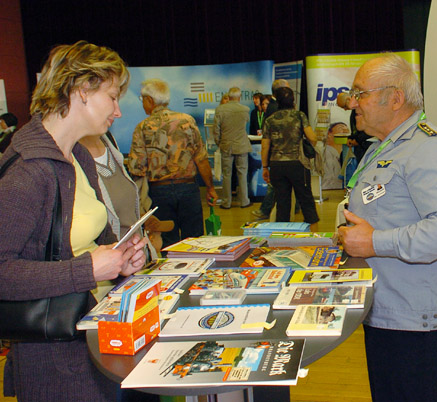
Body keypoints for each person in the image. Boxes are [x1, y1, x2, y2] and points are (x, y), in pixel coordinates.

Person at [0, 40, 148, 402]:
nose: (117, 111)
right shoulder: (27, 170)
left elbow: (96, 237)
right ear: (82, 90)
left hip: (95, 338)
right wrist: (88, 269)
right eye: (112, 97)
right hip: (55, 361)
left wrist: (122, 257)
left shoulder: (77, 154)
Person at [337, 53, 437, 402]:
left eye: (360, 93)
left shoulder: (428, 148)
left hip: (416, 324)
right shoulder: (385, 146)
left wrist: (374, 242)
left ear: (395, 98)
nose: (352, 103)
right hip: (390, 313)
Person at [128, 78, 217, 247]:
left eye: (142, 99)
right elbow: (201, 159)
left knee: (167, 242)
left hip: (159, 192)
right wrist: (210, 188)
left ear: (150, 100)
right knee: (195, 241)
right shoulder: (187, 121)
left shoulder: (142, 127)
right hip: (188, 189)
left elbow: (137, 168)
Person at [261, 86, 319, 231]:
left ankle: (283, 237)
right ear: (293, 100)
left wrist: (265, 167)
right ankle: (314, 236)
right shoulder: (299, 116)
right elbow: (312, 138)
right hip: (298, 164)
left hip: (277, 165)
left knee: (282, 203)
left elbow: (265, 147)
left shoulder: (269, 120)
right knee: (306, 200)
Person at [213, 86, 252, 209]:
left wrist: (219, 143)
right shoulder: (245, 109)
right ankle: (244, 201)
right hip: (242, 145)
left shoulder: (220, 110)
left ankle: (226, 202)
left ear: (229, 97)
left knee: (226, 175)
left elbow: (216, 130)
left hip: (226, 146)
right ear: (239, 97)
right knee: (242, 173)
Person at [322, 122, 346, 190]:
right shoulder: (326, 154)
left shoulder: (345, 153)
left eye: (347, 130)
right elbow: (328, 180)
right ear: (329, 134)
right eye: (340, 128)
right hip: (331, 189)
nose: (345, 131)